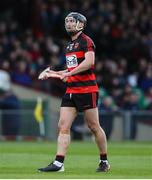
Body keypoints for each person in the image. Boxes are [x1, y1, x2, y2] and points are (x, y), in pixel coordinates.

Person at [38, 12, 110, 172]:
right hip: (72, 90)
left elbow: (89, 62)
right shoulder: (69, 45)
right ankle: (58, 163)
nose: (69, 23)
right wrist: (50, 70)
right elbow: (69, 67)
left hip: (87, 89)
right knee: (63, 126)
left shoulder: (86, 41)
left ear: (81, 24)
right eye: (67, 21)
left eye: (72, 21)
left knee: (93, 126)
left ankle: (104, 161)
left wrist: (68, 74)